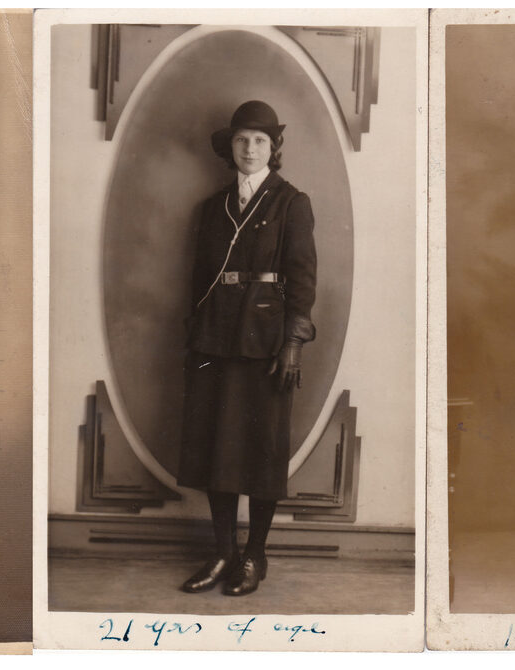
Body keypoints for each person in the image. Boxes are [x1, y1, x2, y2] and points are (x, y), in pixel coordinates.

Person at [177, 100, 317, 596]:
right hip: (215, 339)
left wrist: (293, 344)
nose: (250, 149)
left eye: (260, 140)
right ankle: (222, 553)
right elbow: (198, 282)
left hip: (267, 344)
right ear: (230, 147)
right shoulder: (212, 208)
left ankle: (255, 556)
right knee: (218, 448)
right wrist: (196, 338)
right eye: (241, 140)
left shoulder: (290, 202)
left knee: (260, 451)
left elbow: (302, 280)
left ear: (273, 148)